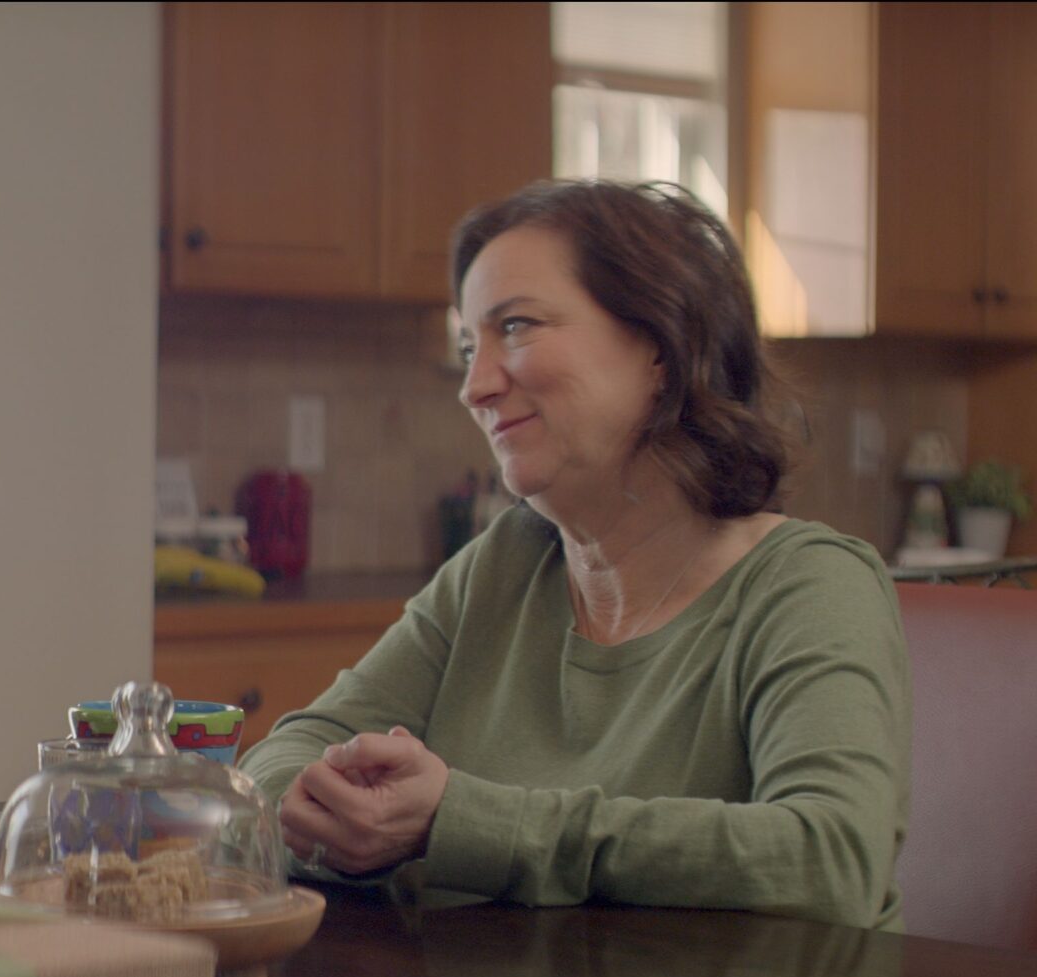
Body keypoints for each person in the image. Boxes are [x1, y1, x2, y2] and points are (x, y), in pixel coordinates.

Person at [238, 180, 909, 931]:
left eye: (516, 327)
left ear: (662, 345)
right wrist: (324, 816)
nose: (474, 387)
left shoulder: (811, 585)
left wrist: (461, 825)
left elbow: (832, 861)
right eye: (469, 348)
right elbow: (291, 753)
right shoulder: (504, 564)